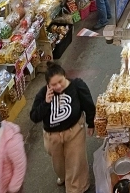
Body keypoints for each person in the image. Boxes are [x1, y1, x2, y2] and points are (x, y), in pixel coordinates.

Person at [28, 64, 96, 193]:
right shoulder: (43, 94)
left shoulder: (77, 85)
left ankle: (76, 188)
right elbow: (34, 117)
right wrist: (46, 103)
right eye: (53, 85)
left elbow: (88, 104)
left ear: (65, 76)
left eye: (60, 82)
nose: (58, 86)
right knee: (59, 165)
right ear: (48, 85)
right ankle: (64, 177)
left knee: (75, 163)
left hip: (74, 131)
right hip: (52, 136)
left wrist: (90, 123)